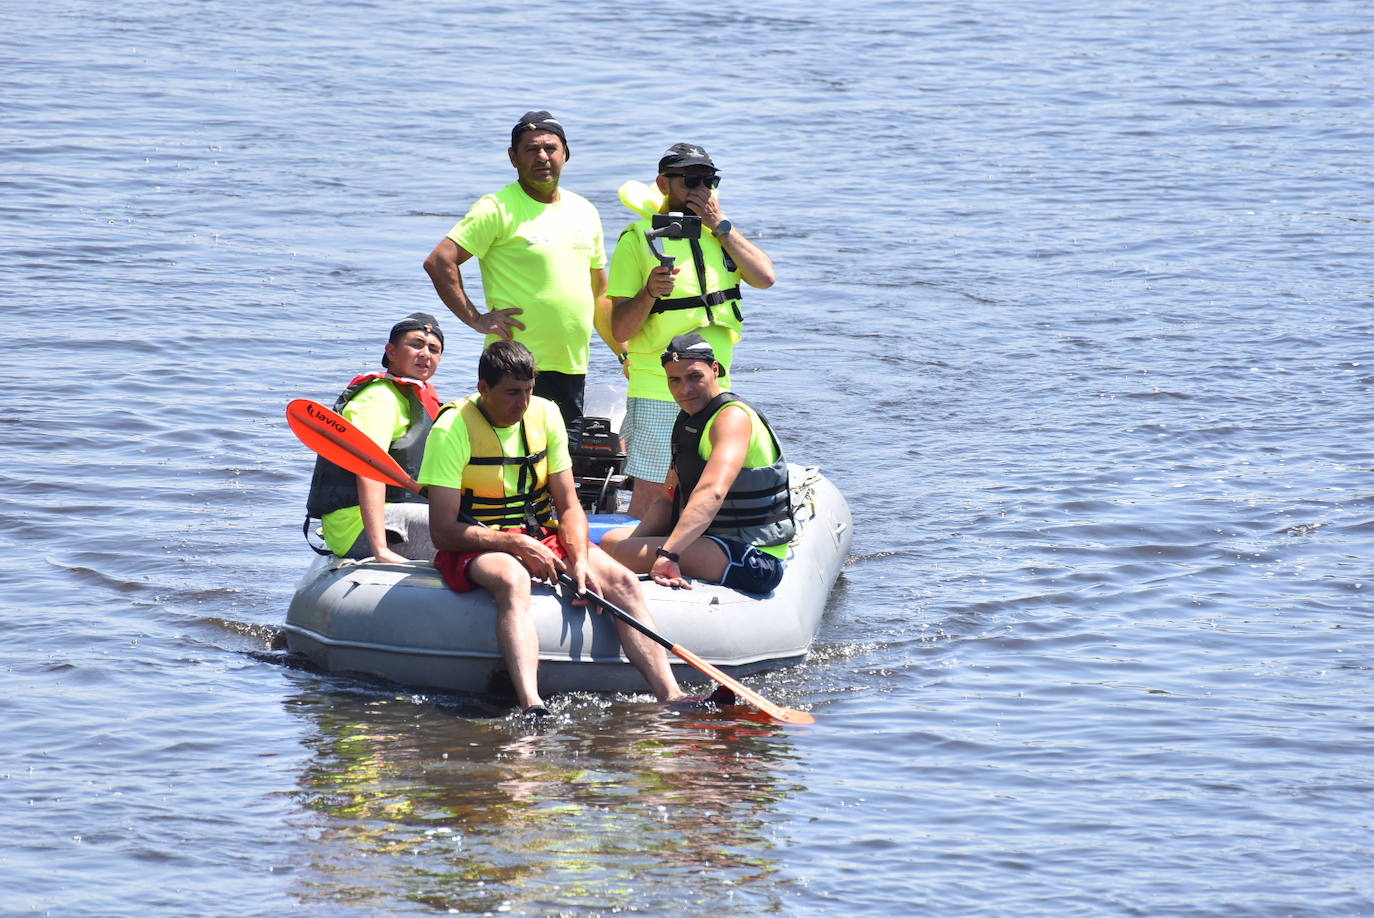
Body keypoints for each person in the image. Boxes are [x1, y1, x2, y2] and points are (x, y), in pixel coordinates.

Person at [417, 339, 689, 715]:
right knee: (512, 579)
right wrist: (516, 547)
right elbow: (443, 531)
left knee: (623, 582)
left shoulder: (546, 414)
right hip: (476, 541)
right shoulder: (451, 430)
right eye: (512, 393)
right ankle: (532, 704)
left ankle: (671, 696)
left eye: (528, 391)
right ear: (483, 388)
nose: (522, 402)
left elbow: (570, 506)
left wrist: (577, 559)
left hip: (538, 533)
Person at [607, 142, 776, 517]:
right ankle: (630, 563)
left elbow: (766, 277)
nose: (701, 190)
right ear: (664, 184)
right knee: (653, 492)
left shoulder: (724, 236)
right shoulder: (636, 239)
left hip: (716, 385)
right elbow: (619, 326)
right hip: (657, 387)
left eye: (708, 181)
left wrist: (721, 227)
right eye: (691, 181)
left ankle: (684, 558)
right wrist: (650, 291)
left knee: (704, 483)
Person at [423, 110, 612, 431]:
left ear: (565, 153)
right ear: (513, 157)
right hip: (512, 367)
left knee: (563, 464)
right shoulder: (496, 208)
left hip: (571, 365)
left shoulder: (585, 211)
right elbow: (440, 261)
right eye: (531, 149)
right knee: (511, 465)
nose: (542, 157)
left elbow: (600, 294)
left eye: (550, 148)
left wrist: (624, 355)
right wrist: (477, 320)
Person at [600, 333, 795, 596]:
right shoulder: (688, 421)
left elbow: (712, 492)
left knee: (622, 552)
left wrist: (669, 554)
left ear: (714, 370)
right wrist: (635, 545)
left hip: (753, 553)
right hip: (709, 541)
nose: (684, 390)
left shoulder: (731, 419)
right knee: (611, 543)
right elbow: (667, 500)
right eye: (675, 380)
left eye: (694, 377)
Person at [305, 313, 445, 563]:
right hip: (358, 527)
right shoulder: (378, 399)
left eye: (433, 349)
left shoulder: (416, 399)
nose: (425, 353)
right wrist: (381, 550)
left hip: (400, 514)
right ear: (391, 352)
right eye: (416, 344)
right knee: (474, 540)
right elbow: (369, 471)